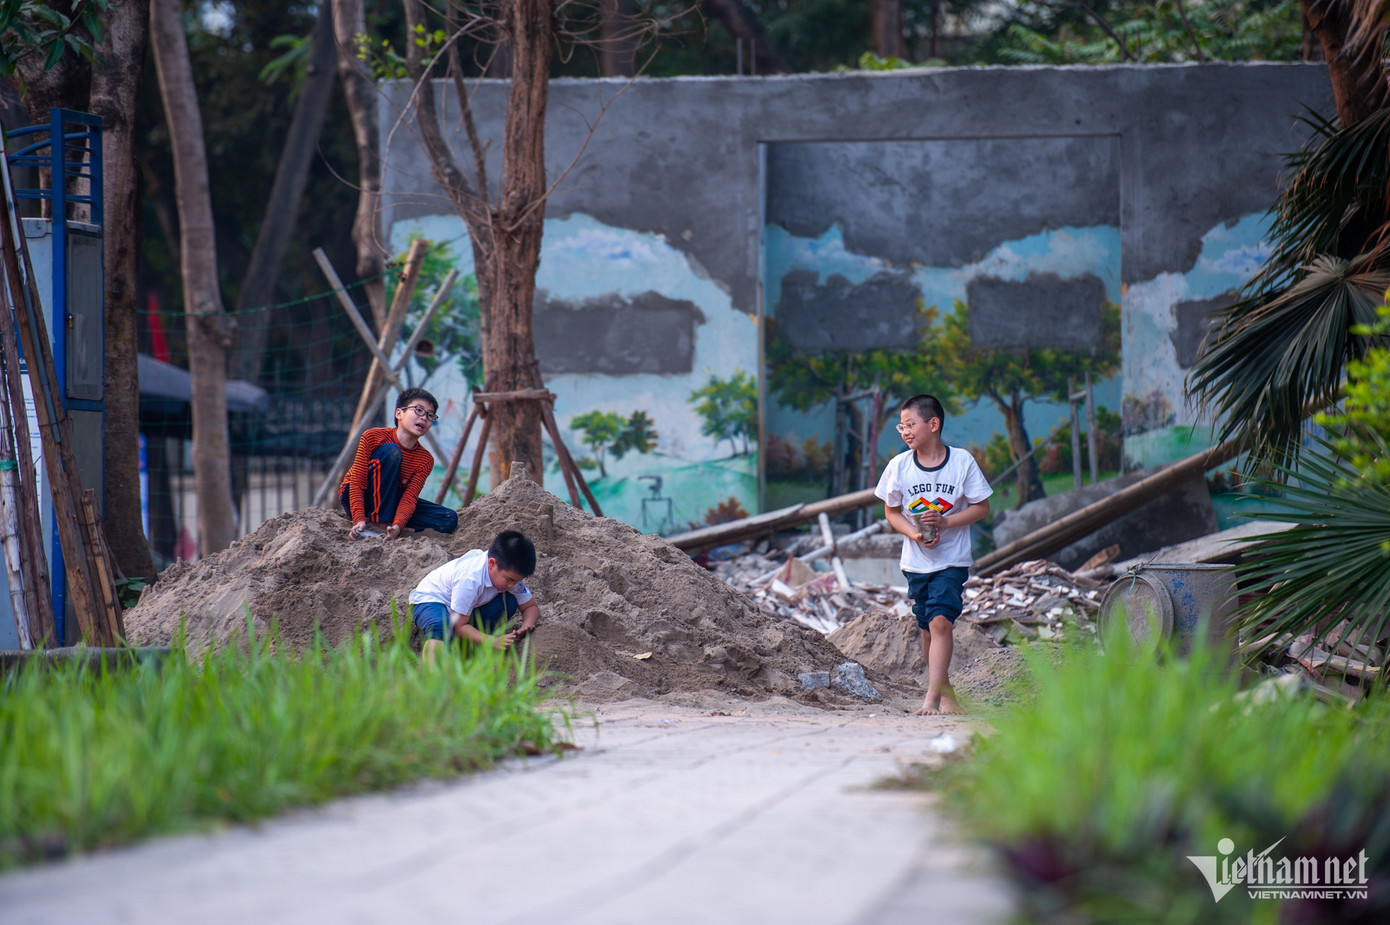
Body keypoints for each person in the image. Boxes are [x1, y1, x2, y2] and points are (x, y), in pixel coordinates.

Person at [874, 394, 993, 715]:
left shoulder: (962, 462)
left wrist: (946, 521)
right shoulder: (898, 466)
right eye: (901, 426)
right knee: (928, 628)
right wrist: (913, 533)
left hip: (952, 559)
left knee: (941, 622)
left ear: (934, 424)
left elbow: (981, 507)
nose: (905, 432)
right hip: (915, 562)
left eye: (910, 424)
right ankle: (947, 693)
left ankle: (930, 698)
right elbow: (891, 511)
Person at [340, 387, 458, 540]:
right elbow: (357, 481)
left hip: (391, 501)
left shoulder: (425, 459)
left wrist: (398, 525)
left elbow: (409, 497)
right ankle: (378, 523)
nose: (424, 418)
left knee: (448, 518)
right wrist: (358, 518)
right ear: (399, 413)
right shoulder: (372, 436)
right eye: (419, 410)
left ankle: (388, 523)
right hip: (359, 495)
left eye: (430, 415)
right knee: (392, 451)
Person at [408, 530, 541, 663]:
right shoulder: (470, 579)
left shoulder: (509, 577)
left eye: (517, 581)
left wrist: (526, 626)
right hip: (430, 601)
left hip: (460, 611)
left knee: (510, 602)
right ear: (492, 564)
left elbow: (530, 606)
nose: (512, 585)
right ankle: (432, 676)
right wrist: (492, 641)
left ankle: (465, 645)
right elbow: (457, 624)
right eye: (509, 580)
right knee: (442, 626)